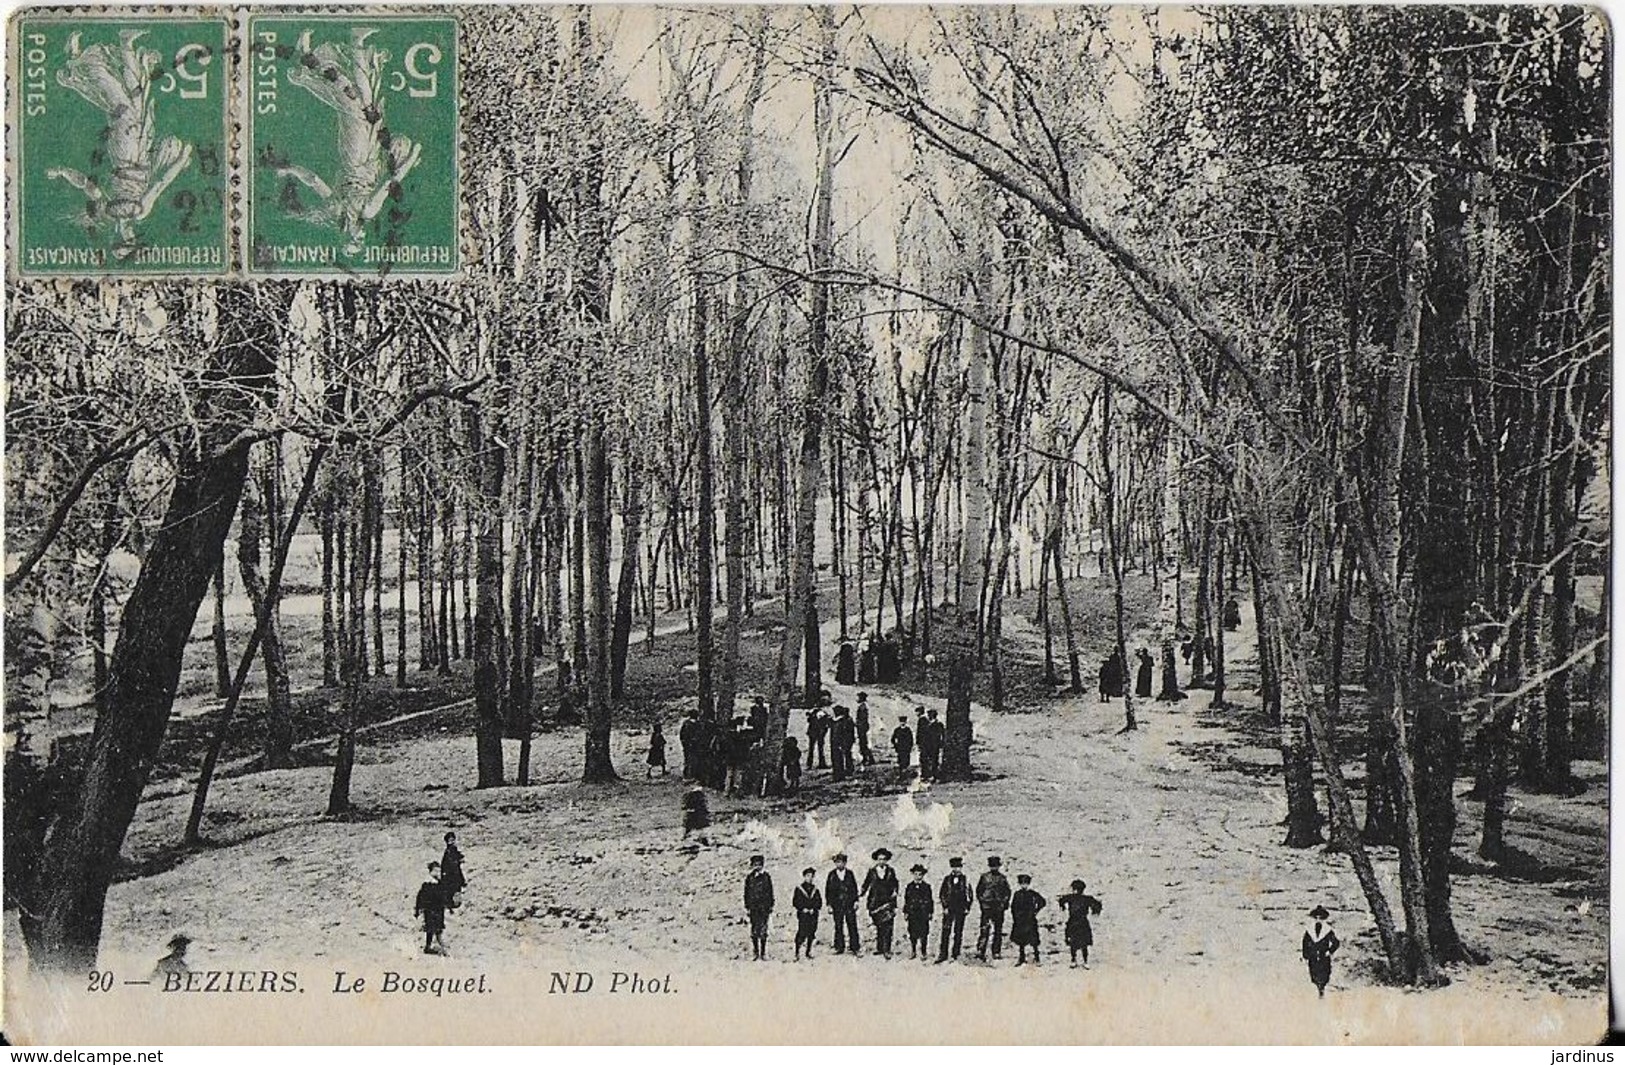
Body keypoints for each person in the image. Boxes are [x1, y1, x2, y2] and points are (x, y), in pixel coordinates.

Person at [861, 848, 900, 958]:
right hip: (875, 902)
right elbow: (866, 883)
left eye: (884, 859)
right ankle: (879, 948)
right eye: (879, 859)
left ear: (887, 860)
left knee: (888, 926)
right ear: (876, 860)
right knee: (879, 925)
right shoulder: (872, 871)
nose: (882, 861)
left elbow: (895, 884)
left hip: (888, 901)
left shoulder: (891, 871)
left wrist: (895, 892)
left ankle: (887, 949)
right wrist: (861, 893)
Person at [1058, 879, 1103, 968]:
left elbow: (1061, 900)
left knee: (1079, 943)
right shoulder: (1083, 898)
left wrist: (1062, 907)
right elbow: (1097, 904)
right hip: (1078, 922)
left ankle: (1078, 960)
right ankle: (1079, 961)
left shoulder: (1074, 897)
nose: (1076, 891)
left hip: (1077, 922)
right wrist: (1095, 911)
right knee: (1080, 943)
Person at [975, 856, 1012, 961]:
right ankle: (980, 950)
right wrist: (982, 901)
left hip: (998, 907)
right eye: (992, 866)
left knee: (998, 930)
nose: (994, 868)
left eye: (995, 866)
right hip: (987, 907)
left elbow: (1007, 892)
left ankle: (996, 951)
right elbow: (979, 891)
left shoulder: (1002, 878)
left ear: (998, 867)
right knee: (984, 929)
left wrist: (1003, 903)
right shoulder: (984, 877)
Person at [937, 857, 973, 962]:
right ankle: (943, 954)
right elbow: (942, 894)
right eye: (955, 867)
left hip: (960, 909)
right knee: (945, 931)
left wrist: (967, 907)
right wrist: (945, 907)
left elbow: (969, 894)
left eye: (959, 867)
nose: (957, 869)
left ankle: (955, 954)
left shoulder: (965, 880)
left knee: (958, 932)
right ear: (951, 868)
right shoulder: (947, 879)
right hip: (949, 908)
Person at [826, 853, 861, 955]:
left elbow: (854, 889)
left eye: (841, 862)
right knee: (838, 926)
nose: (839, 864)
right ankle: (839, 947)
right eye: (837, 862)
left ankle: (855, 947)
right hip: (837, 905)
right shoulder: (831, 875)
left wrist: (856, 901)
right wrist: (829, 905)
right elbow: (828, 891)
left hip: (849, 904)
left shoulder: (850, 874)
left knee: (852, 925)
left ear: (845, 863)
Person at [1301, 905, 1340, 997]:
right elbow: (1305, 943)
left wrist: (1329, 951)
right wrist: (1305, 955)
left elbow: (1336, 942)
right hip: (1313, 955)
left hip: (1323, 956)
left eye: (1321, 918)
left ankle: (1321, 988)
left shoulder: (1327, 930)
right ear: (1314, 918)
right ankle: (1317, 987)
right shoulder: (1309, 930)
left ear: (1324, 919)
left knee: (1324, 973)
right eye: (1316, 918)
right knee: (1314, 972)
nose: (1318, 920)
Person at [1010, 873, 1047, 966]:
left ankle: (1037, 958)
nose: (1024, 885)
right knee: (1021, 941)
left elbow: (1042, 902)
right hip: (1020, 920)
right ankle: (1021, 958)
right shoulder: (1017, 894)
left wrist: (1035, 911)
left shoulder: (1032, 893)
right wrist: (1015, 917)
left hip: (1030, 919)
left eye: (1026, 883)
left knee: (1034, 940)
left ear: (1028, 884)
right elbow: (1013, 906)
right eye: (1022, 883)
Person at [743, 855, 775, 960]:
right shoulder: (749, 878)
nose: (757, 867)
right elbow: (746, 893)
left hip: (764, 908)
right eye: (755, 865)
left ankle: (763, 952)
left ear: (762, 865)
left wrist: (770, 905)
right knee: (754, 931)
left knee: (763, 931)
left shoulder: (766, 877)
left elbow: (770, 892)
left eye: (759, 864)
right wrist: (747, 906)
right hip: (753, 908)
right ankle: (755, 952)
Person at [415, 861, 448, 954]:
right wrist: (419, 909)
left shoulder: (439, 883)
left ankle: (433, 946)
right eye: (435, 871)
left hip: (438, 910)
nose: (438, 873)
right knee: (431, 929)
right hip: (430, 910)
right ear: (430, 872)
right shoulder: (427, 884)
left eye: (439, 871)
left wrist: (446, 905)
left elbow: (443, 896)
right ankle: (437, 946)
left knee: (438, 928)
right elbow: (420, 897)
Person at [904, 864, 933, 960]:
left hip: (923, 913)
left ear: (923, 875)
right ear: (912, 874)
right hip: (913, 913)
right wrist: (906, 912)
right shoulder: (909, 886)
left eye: (920, 874)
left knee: (924, 933)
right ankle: (913, 951)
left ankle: (924, 952)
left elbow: (930, 900)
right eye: (915, 874)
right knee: (912, 933)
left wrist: (930, 912)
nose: (917, 876)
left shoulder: (926, 887)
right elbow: (907, 900)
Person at [793, 867, 823, 960]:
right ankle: (797, 952)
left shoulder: (815, 889)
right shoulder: (799, 889)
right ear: (804, 877)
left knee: (811, 932)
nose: (810, 878)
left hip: (813, 915)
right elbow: (795, 901)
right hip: (803, 915)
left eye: (811, 876)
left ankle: (808, 951)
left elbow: (819, 901)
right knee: (802, 932)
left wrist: (814, 909)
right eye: (808, 876)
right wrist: (803, 908)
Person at [440, 832, 466, 908]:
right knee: (452, 888)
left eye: (453, 840)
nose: (452, 842)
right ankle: (452, 904)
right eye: (450, 840)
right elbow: (448, 863)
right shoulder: (448, 851)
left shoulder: (453, 849)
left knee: (455, 887)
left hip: (454, 872)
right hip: (451, 873)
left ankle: (454, 903)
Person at [830, 706, 856, 781]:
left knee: (838, 759)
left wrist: (842, 744)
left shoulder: (841, 722)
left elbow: (843, 734)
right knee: (837, 759)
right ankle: (838, 774)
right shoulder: (838, 721)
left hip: (838, 743)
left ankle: (839, 775)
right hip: (836, 743)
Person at [917, 708, 942, 780]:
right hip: (927, 745)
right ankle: (926, 775)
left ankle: (933, 775)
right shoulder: (928, 725)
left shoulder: (937, 725)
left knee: (934, 760)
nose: (929, 716)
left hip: (934, 745)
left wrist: (940, 744)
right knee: (925, 759)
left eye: (930, 715)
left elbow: (941, 735)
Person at [679, 710, 702, 780]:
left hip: (688, 745)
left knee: (688, 760)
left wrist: (684, 743)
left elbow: (682, 735)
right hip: (695, 745)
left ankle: (687, 775)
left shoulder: (686, 723)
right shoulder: (698, 724)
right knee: (695, 760)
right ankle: (692, 775)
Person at [855, 692, 875, 766]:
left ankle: (868, 759)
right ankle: (866, 758)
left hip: (862, 728)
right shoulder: (862, 706)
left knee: (863, 744)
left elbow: (863, 719)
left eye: (858, 697)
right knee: (863, 743)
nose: (856, 699)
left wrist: (858, 725)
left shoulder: (862, 707)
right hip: (862, 727)